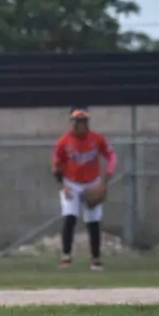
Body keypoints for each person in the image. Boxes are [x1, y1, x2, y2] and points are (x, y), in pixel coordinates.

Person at [51, 107, 116, 271]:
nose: (80, 125)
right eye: (77, 121)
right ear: (72, 123)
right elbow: (56, 165)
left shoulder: (96, 139)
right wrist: (63, 185)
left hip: (92, 182)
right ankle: (66, 257)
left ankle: (95, 259)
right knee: (70, 218)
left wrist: (105, 181)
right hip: (71, 183)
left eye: (83, 121)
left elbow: (111, 156)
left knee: (93, 221)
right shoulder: (64, 141)